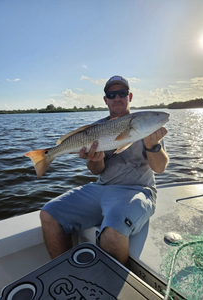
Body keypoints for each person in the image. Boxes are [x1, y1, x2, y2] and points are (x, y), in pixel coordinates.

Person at [40, 75, 169, 265]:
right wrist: (94, 160)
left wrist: (153, 146)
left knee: (112, 236)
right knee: (49, 214)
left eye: (122, 93)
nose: (117, 97)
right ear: (105, 99)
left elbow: (159, 168)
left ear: (130, 97)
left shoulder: (148, 128)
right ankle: (65, 275)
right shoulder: (98, 128)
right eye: (111, 94)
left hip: (139, 190)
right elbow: (96, 170)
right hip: (102, 188)